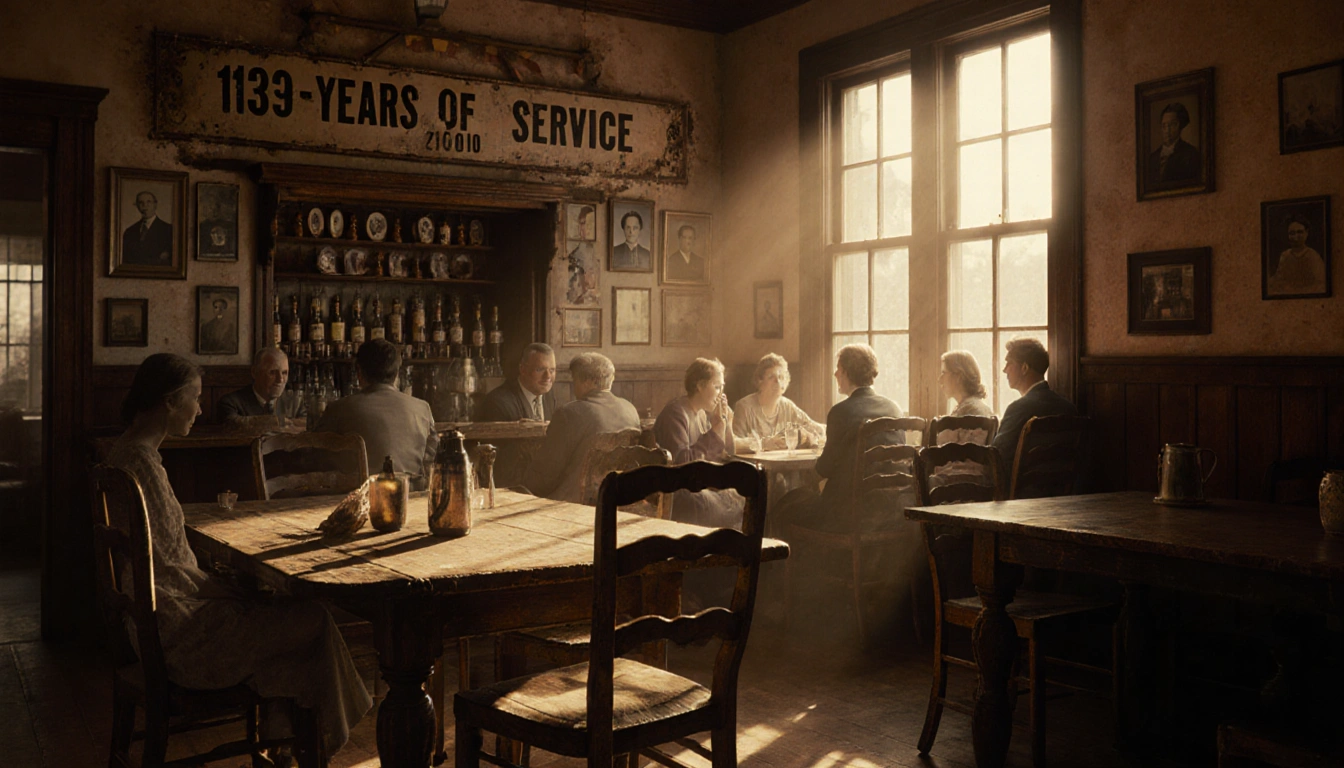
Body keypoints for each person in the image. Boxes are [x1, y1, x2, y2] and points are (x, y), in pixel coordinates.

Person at [104, 353, 371, 759]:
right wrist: (228, 590)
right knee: (314, 619)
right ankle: (324, 742)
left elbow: (165, 561)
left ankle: (286, 745)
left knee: (287, 635)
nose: (200, 407)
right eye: (194, 398)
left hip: (148, 625)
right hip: (181, 637)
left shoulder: (124, 455)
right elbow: (174, 572)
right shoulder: (143, 467)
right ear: (169, 402)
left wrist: (225, 585)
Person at [315, 339, 438, 485]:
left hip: (358, 501)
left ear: (359, 372)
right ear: (397, 373)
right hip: (410, 499)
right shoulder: (422, 408)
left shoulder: (339, 409)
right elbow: (434, 461)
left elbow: (315, 456)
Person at [522, 352, 640, 501]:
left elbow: (545, 475)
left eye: (574, 380)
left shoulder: (569, 414)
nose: (574, 386)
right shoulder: (630, 409)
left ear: (585, 382)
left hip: (572, 506)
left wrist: (521, 485)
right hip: (617, 501)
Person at [812, 343, 905, 514]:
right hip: (890, 507)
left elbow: (824, 468)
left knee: (786, 506)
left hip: (849, 512)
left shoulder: (841, 411)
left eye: (838, 368)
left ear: (846, 372)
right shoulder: (894, 408)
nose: (835, 374)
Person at [654, 357, 742, 529]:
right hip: (676, 490)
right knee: (726, 505)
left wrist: (726, 424)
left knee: (741, 495)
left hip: (698, 485)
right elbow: (682, 463)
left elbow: (724, 454)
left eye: (722, 387)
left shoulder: (702, 414)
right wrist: (715, 431)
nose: (721, 395)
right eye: (717, 387)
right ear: (700, 386)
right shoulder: (676, 413)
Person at [991, 338, 1078, 472]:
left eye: (1009, 363)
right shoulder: (1069, 408)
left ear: (1024, 368)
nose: (1004, 370)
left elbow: (996, 456)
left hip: (1021, 492)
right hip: (1064, 490)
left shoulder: (1018, 409)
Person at [732, 353, 823, 451]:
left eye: (781, 377)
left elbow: (816, 429)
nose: (778, 382)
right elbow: (734, 445)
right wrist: (765, 443)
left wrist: (810, 436)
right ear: (759, 380)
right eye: (771, 377)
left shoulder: (788, 406)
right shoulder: (744, 407)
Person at [932, 350, 994, 485]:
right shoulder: (970, 407)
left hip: (959, 484)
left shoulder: (971, 410)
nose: (939, 379)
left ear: (958, 376)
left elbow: (962, 460)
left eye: (943, 373)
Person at [216, 347, 306, 422]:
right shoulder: (232, 403)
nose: (280, 380)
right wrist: (279, 422)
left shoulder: (296, 401)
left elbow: (309, 425)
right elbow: (235, 425)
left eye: (284, 373)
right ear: (255, 372)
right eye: (272, 373)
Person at [481, 343, 559, 422]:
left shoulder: (549, 396)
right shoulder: (497, 403)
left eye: (552, 370)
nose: (548, 376)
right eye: (540, 369)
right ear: (523, 369)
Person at [1268, 215, 1326, 296]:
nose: (1296, 237)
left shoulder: (1313, 256)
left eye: (1300, 232)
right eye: (1292, 233)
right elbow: (1278, 280)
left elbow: (1321, 284)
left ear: (1306, 233)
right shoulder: (1285, 256)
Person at [1148, 102, 1202, 185]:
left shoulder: (1190, 154)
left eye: (1172, 124)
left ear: (1180, 126)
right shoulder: (1153, 158)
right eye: (1164, 125)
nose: (1167, 130)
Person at [121, 190, 174, 266]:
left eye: (148, 202)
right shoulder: (130, 231)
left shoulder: (168, 230)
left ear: (155, 205)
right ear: (137, 206)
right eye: (141, 203)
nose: (145, 206)